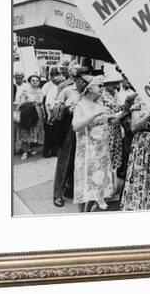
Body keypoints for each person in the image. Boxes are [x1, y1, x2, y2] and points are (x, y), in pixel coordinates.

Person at [72, 76, 117, 212]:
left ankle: (90, 208)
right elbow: (76, 125)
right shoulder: (80, 105)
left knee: (97, 182)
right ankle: (81, 214)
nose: (102, 88)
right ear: (90, 88)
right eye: (99, 86)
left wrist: (111, 116)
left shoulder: (99, 103)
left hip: (101, 152)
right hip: (87, 154)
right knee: (84, 184)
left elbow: (100, 122)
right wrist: (95, 114)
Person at [51, 65, 88, 207]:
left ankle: (70, 189)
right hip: (68, 129)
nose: (85, 82)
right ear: (77, 78)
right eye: (83, 79)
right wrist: (67, 108)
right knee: (64, 162)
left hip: (84, 130)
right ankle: (57, 194)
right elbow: (55, 108)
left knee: (78, 161)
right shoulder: (67, 90)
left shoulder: (89, 91)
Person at [100, 69, 127, 173]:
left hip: (116, 128)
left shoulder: (115, 94)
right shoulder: (102, 94)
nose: (115, 86)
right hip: (107, 127)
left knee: (115, 154)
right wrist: (115, 115)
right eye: (113, 83)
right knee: (107, 152)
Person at [17, 73, 45, 160]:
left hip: (38, 113)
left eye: (37, 80)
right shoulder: (25, 91)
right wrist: (31, 103)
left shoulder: (41, 91)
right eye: (33, 80)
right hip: (27, 113)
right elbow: (21, 103)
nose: (35, 82)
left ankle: (29, 149)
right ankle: (25, 152)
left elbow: (42, 104)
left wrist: (43, 113)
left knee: (34, 132)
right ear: (29, 81)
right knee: (25, 131)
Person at [41, 69, 61, 158]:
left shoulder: (61, 87)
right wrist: (48, 114)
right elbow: (47, 102)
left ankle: (54, 151)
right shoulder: (49, 87)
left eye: (56, 75)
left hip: (59, 111)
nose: (55, 77)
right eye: (53, 75)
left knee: (56, 133)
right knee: (48, 133)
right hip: (51, 110)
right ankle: (46, 151)